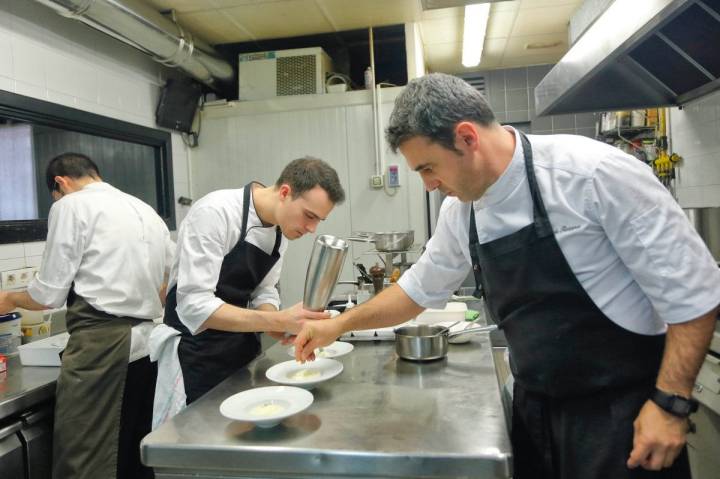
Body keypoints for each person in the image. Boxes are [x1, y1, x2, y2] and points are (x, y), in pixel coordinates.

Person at [294, 73, 719, 479]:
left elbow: (694, 291)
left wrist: (670, 404)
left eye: (427, 168)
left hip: (620, 414)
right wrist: (339, 325)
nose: (428, 185)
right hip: (534, 410)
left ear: (466, 137)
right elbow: (416, 289)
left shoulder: (592, 174)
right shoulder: (462, 210)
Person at [0, 152, 174, 479]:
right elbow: (168, 284)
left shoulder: (70, 205)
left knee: (84, 455)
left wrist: (9, 298)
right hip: (149, 346)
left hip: (103, 349)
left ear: (60, 183)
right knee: (134, 453)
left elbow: (48, 293)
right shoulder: (146, 210)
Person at [151, 156, 345, 426]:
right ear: (285, 192)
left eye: (319, 220)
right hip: (196, 355)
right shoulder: (215, 213)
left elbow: (264, 291)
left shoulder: (280, 231)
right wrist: (276, 319)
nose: (312, 229)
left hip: (241, 351)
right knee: (203, 440)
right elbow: (194, 305)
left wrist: (277, 325)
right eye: (309, 216)